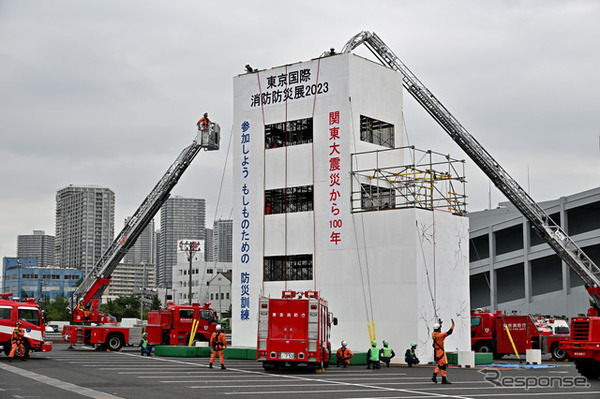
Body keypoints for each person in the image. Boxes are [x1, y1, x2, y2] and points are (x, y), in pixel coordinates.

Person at [431, 318, 455, 384]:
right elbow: (449, 332)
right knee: (443, 366)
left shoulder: (433, 334)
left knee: (439, 365)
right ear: (438, 329)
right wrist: (453, 325)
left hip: (436, 352)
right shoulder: (440, 335)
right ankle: (443, 379)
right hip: (440, 352)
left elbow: (438, 330)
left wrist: (439, 324)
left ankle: (434, 376)